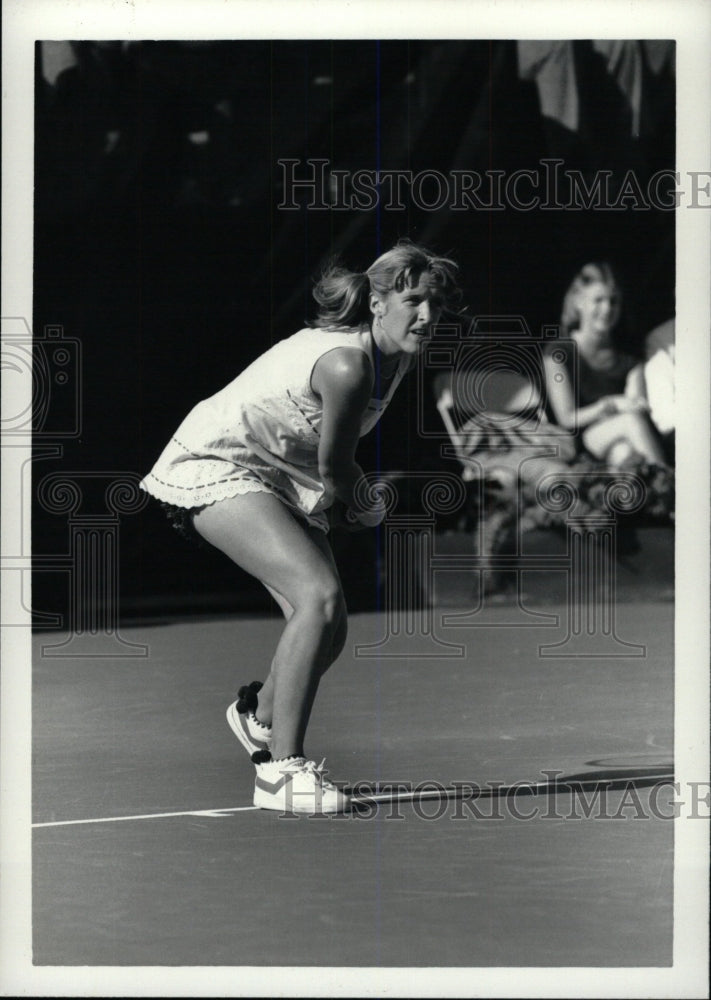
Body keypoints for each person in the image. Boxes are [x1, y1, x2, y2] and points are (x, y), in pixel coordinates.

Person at [140, 240, 461, 813]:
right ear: (377, 303)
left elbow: (327, 464)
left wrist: (351, 504)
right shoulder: (348, 363)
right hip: (217, 464)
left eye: (435, 303)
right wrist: (366, 505)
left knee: (328, 626)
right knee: (319, 596)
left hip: (277, 474)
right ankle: (282, 774)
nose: (428, 316)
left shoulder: (399, 356)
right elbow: (336, 467)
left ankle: (258, 714)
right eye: (414, 300)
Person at [542, 261, 669, 470]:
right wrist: (610, 404)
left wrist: (631, 404)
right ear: (579, 303)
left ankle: (651, 495)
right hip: (578, 442)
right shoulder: (558, 352)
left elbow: (637, 404)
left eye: (613, 301)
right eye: (598, 300)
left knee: (624, 453)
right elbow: (567, 418)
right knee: (631, 423)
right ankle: (670, 484)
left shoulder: (628, 358)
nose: (607, 309)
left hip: (621, 437)